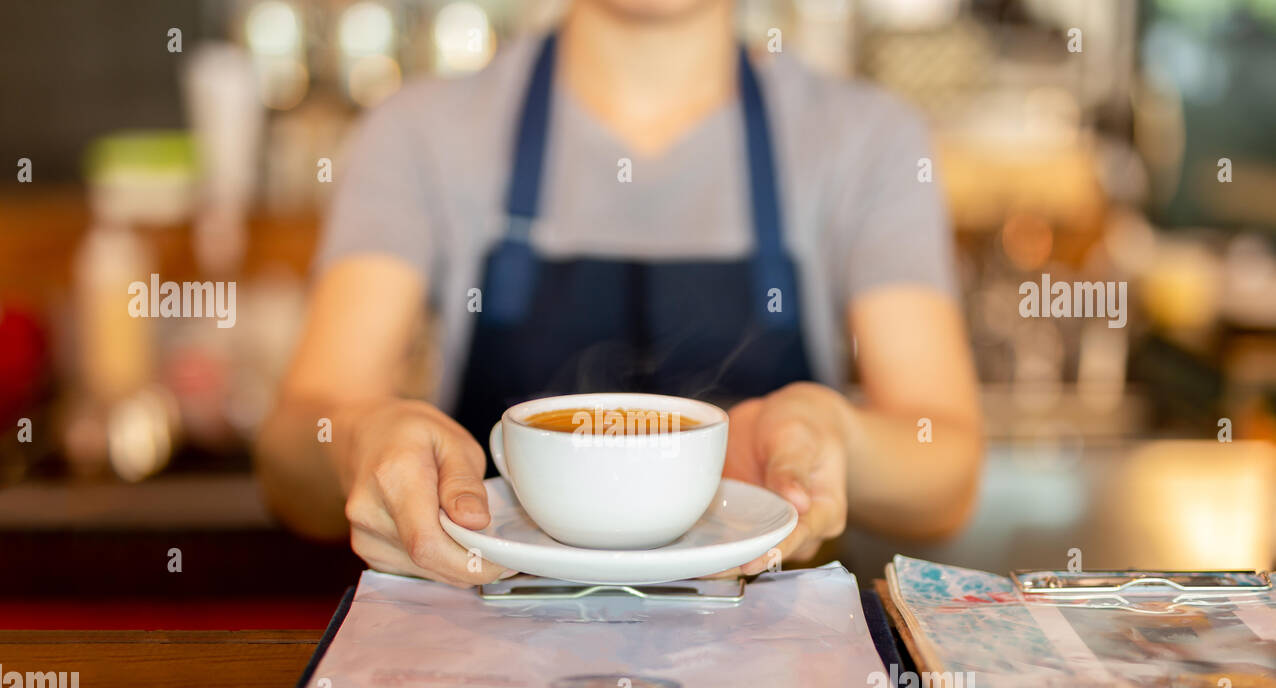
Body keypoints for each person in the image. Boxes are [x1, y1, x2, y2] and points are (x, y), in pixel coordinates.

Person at [256, 0, 983, 588]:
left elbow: (946, 470)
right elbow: (294, 451)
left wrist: (836, 435)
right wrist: (359, 440)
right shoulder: (417, 132)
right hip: (484, 677)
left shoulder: (869, 139)